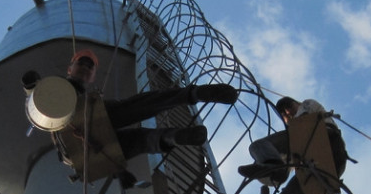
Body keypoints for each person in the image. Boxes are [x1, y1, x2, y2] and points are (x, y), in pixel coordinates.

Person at [23, 48, 238, 165]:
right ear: (70, 68)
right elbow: (36, 93)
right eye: (82, 63)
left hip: (91, 147)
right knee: (137, 106)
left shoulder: (87, 96)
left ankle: (174, 136)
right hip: (73, 143)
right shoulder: (57, 87)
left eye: (91, 67)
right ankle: (193, 94)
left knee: (138, 136)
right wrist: (32, 85)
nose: (86, 68)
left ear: (93, 76)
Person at [237, 96, 348, 194]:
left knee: (258, 146)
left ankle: (274, 166)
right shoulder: (298, 144)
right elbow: (281, 171)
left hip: (324, 139)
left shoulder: (307, 105)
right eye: (283, 114)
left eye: (290, 107)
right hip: (329, 167)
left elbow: (303, 120)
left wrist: (273, 169)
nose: (288, 113)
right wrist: (267, 173)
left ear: (298, 103)